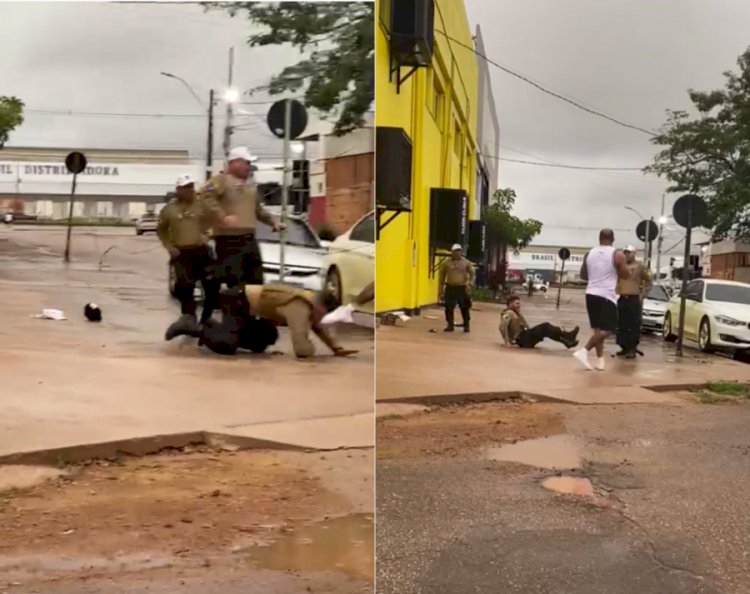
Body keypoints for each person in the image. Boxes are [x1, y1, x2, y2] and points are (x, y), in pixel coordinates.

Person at [173, 284, 359, 359]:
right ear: (321, 308)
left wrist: (337, 349)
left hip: (249, 307)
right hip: (236, 300)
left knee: (264, 339)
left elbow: (319, 328)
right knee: (228, 345)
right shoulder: (300, 308)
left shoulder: (311, 303)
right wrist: (311, 351)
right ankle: (193, 327)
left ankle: (213, 327)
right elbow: (301, 348)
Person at [200, 146, 284, 287]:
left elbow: (257, 209)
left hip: (249, 239)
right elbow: (205, 197)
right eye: (247, 163)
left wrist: (273, 222)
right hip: (228, 240)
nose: (248, 167)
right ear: (235, 162)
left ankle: (250, 307)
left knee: (255, 281)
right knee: (235, 282)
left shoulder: (249, 185)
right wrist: (222, 216)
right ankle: (233, 306)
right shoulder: (220, 180)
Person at [158, 174, 219, 340]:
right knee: (184, 287)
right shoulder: (169, 209)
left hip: (201, 251)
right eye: (186, 187)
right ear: (178, 190)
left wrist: (209, 235)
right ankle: (189, 319)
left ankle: (206, 318)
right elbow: (161, 230)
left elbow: (215, 220)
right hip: (181, 253)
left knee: (212, 286)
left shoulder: (202, 205)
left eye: (191, 186)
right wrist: (169, 247)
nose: (190, 190)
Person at [573, 229, 631, 371]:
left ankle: (600, 361)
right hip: (606, 295)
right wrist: (621, 266)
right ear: (613, 239)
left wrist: (597, 276)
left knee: (597, 330)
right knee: (610, 329)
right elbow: (625, 275)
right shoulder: (617, 254)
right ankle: (584, 351)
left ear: (599, 238)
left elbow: (583, 275)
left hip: (590, 293)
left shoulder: (589, 253)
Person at [500, 295, 579, 349]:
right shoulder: (508, 313)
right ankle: (567, 337)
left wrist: (530, 331)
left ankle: (567, 341)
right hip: (521, 339)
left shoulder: (517, 313)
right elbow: (502, 327)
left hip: (525, 337)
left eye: (519, 303)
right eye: (517, 303)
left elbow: (525, 326)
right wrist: (507, 341)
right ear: (510, 303)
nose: (519, 305)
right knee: (545, 326)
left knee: (548, 331)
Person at [616, 245, 653, 359]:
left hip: (634, 299)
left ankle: (632, 348)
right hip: (622, 298)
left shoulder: (640, 266)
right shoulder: (620, 267)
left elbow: (649, 280)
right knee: (622, 324)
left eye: (629, 253)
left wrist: (643, 294)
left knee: (633, 324)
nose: (627, 255)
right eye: (625, 253)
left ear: (634, 254)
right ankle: (624, 347)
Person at [439, 244, 474, 333]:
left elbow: (472, 275)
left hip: (462, 287)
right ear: (452, 252)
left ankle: (466, 325)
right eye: (455, 251)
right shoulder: (446, 263)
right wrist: (440, 291)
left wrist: (470, 284)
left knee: (464, 307)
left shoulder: (466, 263)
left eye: (459, 251)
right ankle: (450, 325)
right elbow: (441, 277)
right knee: (449, 307)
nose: (457, 253)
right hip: (450, 287)